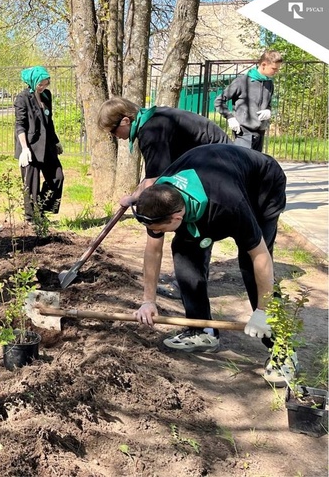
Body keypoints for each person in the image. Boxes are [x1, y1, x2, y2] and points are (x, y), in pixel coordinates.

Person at [130, 144, 290, 384]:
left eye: (158, 229)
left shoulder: (229, 204)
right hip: (213, 179)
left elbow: (261, 255)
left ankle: (283, 351)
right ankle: (201, 331)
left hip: (263, 185)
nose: (155, 234)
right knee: (185, 250)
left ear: (176, 217)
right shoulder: (161, 196)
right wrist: (148, 300)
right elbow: (153, 250)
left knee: (249, 261)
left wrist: (263, 310)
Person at [97, 96, 230, 207]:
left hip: (220, 159)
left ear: (125, 121)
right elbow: (152, 174)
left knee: (154, 204)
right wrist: (133, 196)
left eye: (113, 131)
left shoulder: (152, 131)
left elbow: (154, 179)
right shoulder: (150, 121)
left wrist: (134, 199)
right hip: (209, 157)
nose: (115, 136)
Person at [14, 66, 64, 222]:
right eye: (40, 84)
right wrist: (24, 149)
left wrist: (56, 142)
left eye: (46, 83)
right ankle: (32, 218)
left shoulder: (46, 96)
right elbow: (20, 125)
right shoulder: (22, 98)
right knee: (32, 185)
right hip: (30, 146)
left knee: (57, 176)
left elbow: (49, 122)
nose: (43, 87)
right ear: (33, 82)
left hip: (47, 144)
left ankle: (42, 208)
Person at [214, 50, 282, 152]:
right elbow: (219, 101)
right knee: (241, 164)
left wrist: (268, 111)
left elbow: (268, 104)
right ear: (264, 64)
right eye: (274, 68)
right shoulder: (242, 82)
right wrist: (230, 117)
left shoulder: (269, 84)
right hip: (243, 132)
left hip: (260, 132)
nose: (276, 71)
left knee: (255, 165)